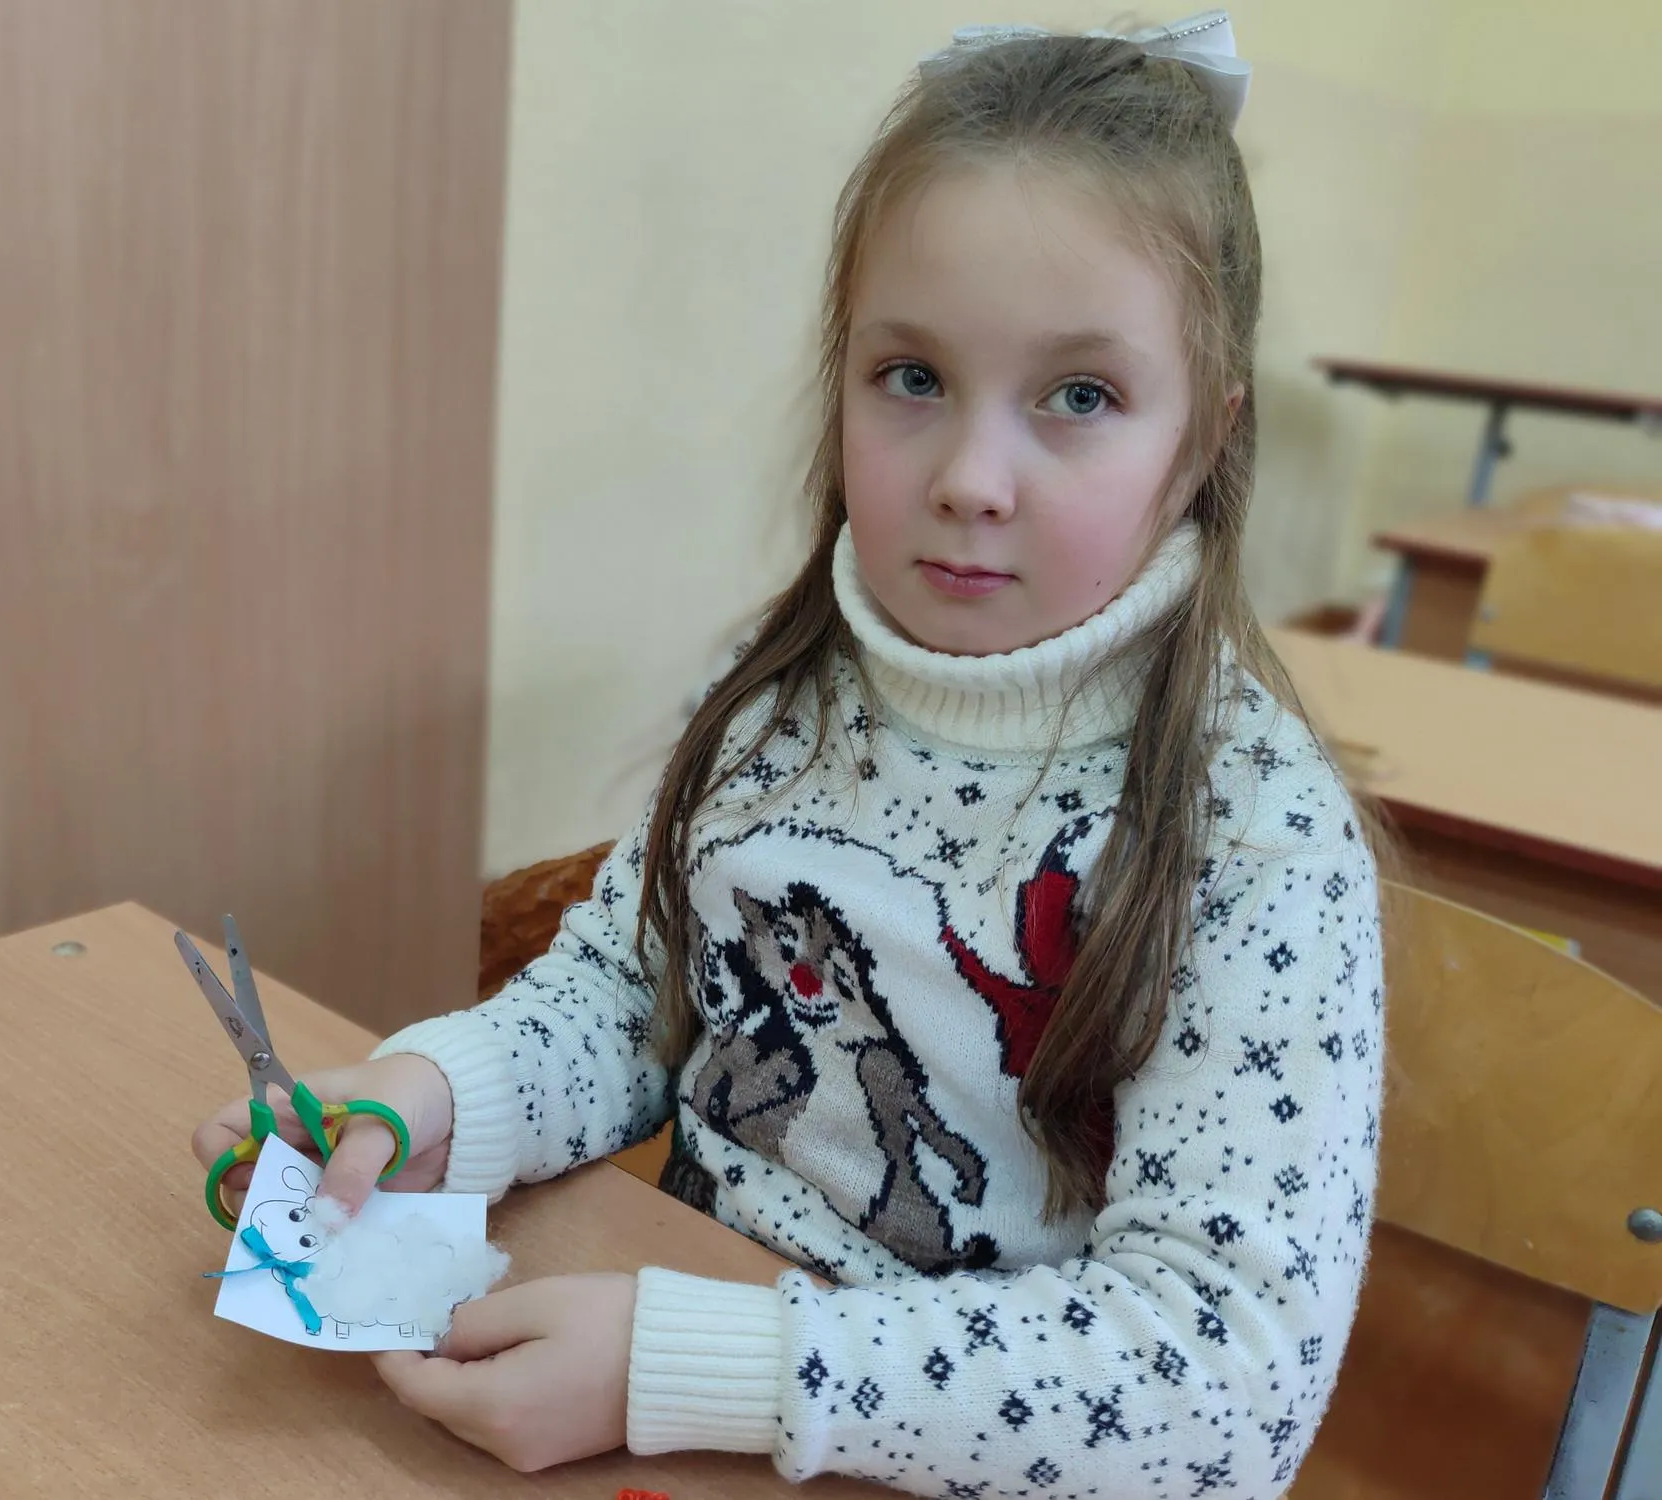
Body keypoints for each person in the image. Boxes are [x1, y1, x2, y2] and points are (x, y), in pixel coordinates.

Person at [193, 13, 1385, 1496]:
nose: (971, 480)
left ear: (1204, 439)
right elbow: (628, 998)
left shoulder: (1255, 834)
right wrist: (441, 1101)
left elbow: (1224, 1386)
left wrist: (711, 1367)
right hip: (675, 1395)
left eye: (1080, 397)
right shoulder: (777, 702)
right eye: (912, 377)